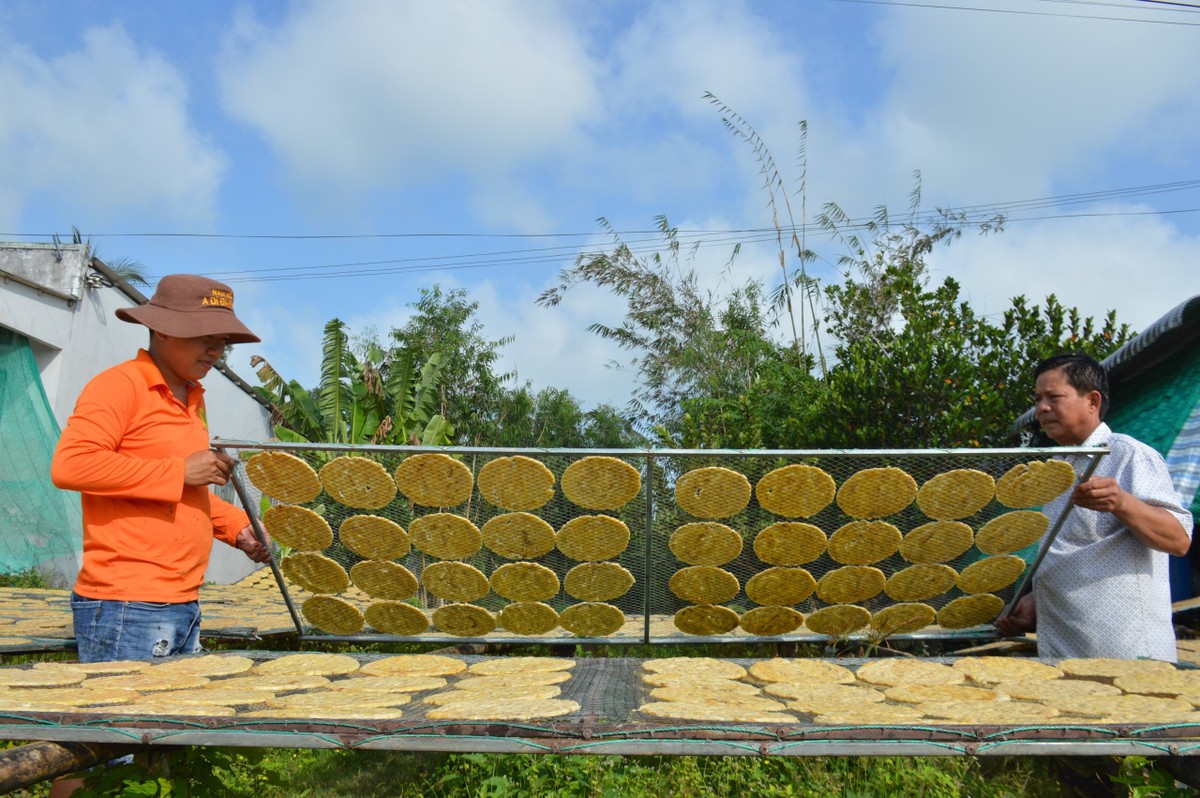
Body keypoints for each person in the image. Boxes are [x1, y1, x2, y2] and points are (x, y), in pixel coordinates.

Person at [51, 274, 271, 663]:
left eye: (222, 341)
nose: (217, 350)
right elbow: (72, 465)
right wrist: (177, 471)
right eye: (206, 336)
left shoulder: (192, 398)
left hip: (182, 600)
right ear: (163, 330)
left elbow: (184, 492)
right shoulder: (120, 385)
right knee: (125, 721)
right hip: (127, 604)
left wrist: (237, 527)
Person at [997, 353, 1193, 661]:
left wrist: (1123, 502)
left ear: (1092, 401)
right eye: (1038, 399)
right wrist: (1038, 599)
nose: (1042, 408)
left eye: (1054, 397)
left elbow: (1179, 539)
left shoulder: (1128, 455)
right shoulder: (1059, 467)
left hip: (1125, 652)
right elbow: (1080, 553)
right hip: (1064, 650)